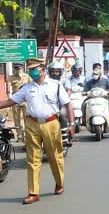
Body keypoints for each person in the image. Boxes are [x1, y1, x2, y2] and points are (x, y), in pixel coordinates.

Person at [0, 58, 74, 204]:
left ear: (42, 69)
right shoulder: (27, 88)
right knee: (32, 159)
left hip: (51, 123)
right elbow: (10, 101)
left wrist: (71, 124)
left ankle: (59, 183)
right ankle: (33, 192)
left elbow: (68, 104)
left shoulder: (56, 85)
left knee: (55, 156)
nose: (32, 72)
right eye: (30, 69)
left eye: (34, 69)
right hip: (32, 124)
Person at [84, 63, 109, 128]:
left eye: (96, 74)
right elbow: (85, 89)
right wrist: (84, 93)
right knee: (83, 105)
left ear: (100, 75)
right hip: (91, 99)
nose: (95, 75)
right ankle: (84, 120)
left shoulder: (105, 80)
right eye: (94, 74)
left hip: (104, 98)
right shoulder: (89, 82)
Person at [9, 62, 31, 141]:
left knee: (27, 118)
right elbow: (8, 89)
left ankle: (27, 135)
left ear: (22, 68)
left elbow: (32, 87)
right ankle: (20, 135)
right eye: (16, 68)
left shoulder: (27, 77)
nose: (17, 70)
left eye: (19, 68)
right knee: (16, 119)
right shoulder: (11, 77)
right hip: (15, 100)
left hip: (25, 101)